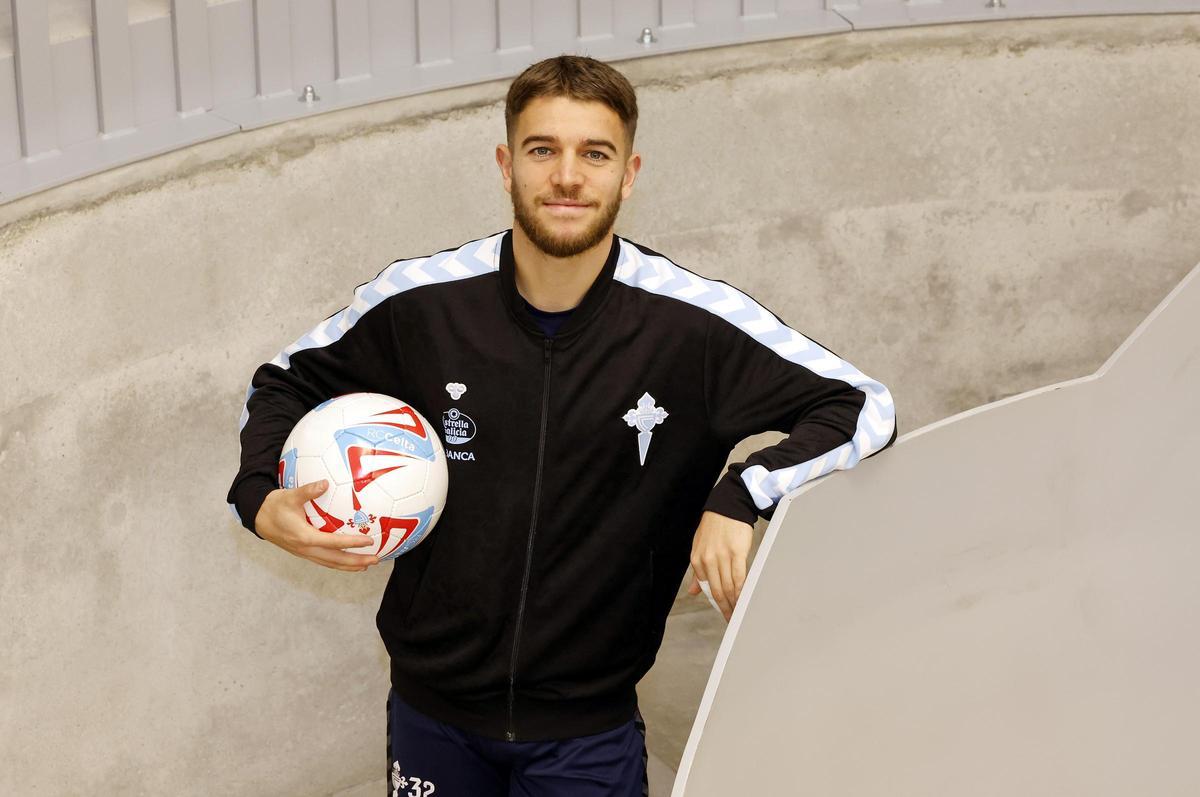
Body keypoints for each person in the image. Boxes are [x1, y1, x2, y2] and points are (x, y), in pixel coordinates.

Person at [226, 54, 896, 797]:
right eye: (543, 150)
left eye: (595, 154)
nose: (568, 176)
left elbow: (864, 403)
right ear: (506, 165)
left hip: (589, 732)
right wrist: (261, 497)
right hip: (432, 715)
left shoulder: (691, 326)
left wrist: (743, 494)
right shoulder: (421, 304)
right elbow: (282, 382)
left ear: (630, 174)